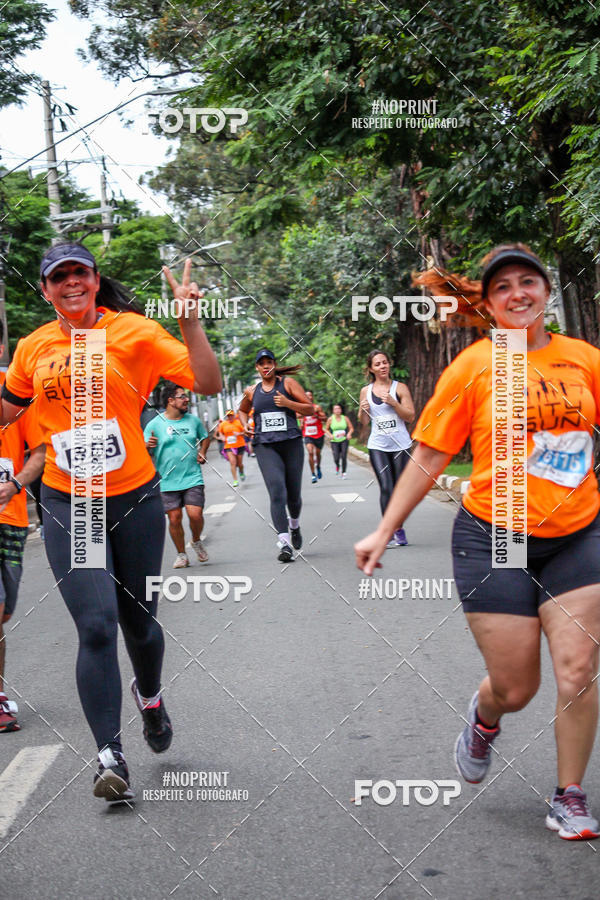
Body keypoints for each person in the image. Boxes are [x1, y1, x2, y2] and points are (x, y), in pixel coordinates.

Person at [355, 242, 600, 841]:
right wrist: (385, 529)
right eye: (503, 287)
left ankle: (568, 794)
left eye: (528, 282)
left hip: (578, 531)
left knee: (578, 668)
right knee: (518, 686)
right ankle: (485, 717)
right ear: (488, 304)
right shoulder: (474, 368)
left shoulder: (585, 359)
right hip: (497, 532)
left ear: (545, 292)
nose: (518, 294)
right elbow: (432, 454)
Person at [1, 242, 221, 802]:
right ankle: (108, 754)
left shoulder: (136, 332)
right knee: (96, 625)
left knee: (140, 623)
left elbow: (208, 383)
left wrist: (190, 322)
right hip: (70, 501)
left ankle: (148, 694)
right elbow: (7, 409)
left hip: (133, 500)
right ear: (46, 289)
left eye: (80, 273)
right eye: (59, 277)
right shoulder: (33, 347)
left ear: (95, 281)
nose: (71, 283)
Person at [0, 318, 46, 733]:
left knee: (2, 613)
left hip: (10, 518)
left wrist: (15, 483)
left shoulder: (15, 395)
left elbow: (39, 452)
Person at [237, 349, 314, 562]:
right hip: (265, 445)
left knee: (294, 496)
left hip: (291, 444)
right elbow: (242, 410)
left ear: (274, 363)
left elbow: (310, 409)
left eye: (268, 362)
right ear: (257, 367)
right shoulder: (252, 391)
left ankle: (295, 526)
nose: (265, 366)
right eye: (261, 363)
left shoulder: (287, 384)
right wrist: (245, 426)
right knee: (277, 490)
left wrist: (289, 404)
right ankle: (285, 543)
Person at [144, 382, 210, 568]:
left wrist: (202, 451)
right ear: (170, 401)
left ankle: (196, 541)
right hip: (167, 481)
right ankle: (182, 555)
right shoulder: (154, 424)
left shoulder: (193, 421)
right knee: (174, 518)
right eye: (182, 396)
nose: (186, 399)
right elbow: (143, 451)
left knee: (195, 514)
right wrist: (147, 446)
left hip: (192, 477)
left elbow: (205, 437)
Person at [358, 350, 415, 547]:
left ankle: (398, 527)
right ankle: (391, 532)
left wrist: (393, 403)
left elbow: (410, 416)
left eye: (385, 362)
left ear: (389, 365)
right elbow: (364, 423)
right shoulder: (366, 391)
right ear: (371, 369)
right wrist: (363, 410)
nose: (382, 366)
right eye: (378, 364)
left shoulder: (400, 388)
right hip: (378, 446)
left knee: (398, 491)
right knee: (386, 488)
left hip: (401, 445)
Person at [301, 391, 327, 483]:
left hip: (319, 434)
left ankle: (318, 467)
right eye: (306, 395)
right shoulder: (302, 407)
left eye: (310, 395)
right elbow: (299, 418)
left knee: (318, 453)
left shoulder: (317, 407)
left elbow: (325, 418)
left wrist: (317, 415)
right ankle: (313, 474)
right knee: (310, 452)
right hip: (308, 434)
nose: (308, 397)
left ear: (312, 397)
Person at [216, 409, 246, 486]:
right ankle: (235, 480)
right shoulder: (223, 424)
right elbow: (220, 432)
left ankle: (241, 471)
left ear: (234, 415)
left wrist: (239, 433)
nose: (230, 417)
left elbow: (245, 432)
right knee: (233, 462)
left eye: (231, 415)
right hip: (229, 446)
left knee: (239, 464)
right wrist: (222, 437)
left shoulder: (239, 422)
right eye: (228, 416)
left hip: (239, 445)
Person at [324, 403, 354, 479]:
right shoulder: (330, 419)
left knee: (344, 456)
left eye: (339, 409)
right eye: (335, 409)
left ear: (341, 410)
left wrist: (349, 434)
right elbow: (326, 429)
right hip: (334, 441)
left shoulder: (345, 418)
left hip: (344, 440)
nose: (337, 410)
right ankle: (337, 465)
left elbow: (351, 428)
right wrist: (330, 435)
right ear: (333, 411)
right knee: (336, 457)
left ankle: (344, 473)